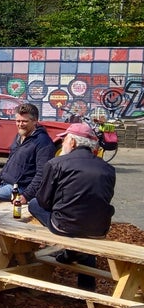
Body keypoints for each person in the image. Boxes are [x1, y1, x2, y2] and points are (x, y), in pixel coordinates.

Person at [27, 122, 116, 292]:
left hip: (64, 225)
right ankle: (86, 286)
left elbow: (43, 201)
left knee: (34, 204)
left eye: (65, 139)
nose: (62, 143)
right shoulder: (108, 169)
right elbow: (103, 198)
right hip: (99, 228)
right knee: (86, 232)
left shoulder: (56, 163)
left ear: (73, 142)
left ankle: (71, 252)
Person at [0, 102, 55, 206]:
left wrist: (26, 195)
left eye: (24, 121)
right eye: (18, 121)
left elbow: (42, 173)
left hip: (20, 189)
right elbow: (10, 161)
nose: (20, 124)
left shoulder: (43, 142)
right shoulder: (20, 136)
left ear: (35, 121)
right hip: (4, 184)